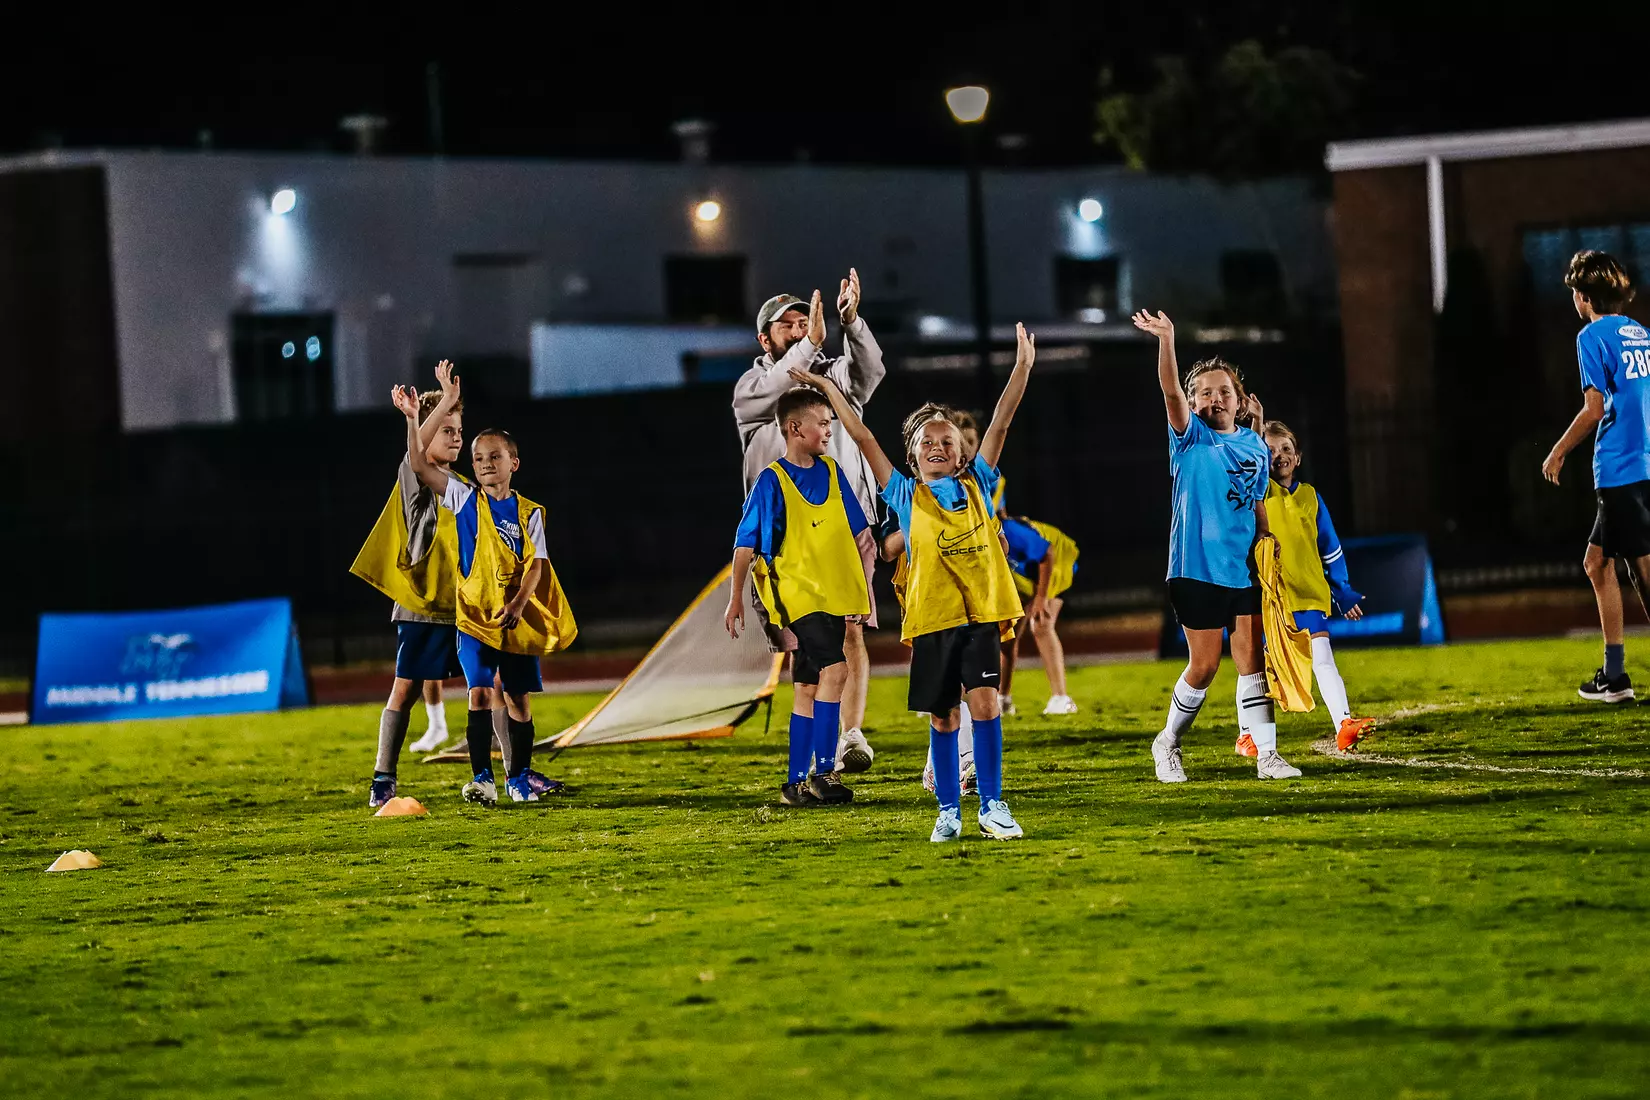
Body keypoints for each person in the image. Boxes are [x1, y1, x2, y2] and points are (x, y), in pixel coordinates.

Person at [796, 323, 1038, 842]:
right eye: (927, 440)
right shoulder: (904, 494)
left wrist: (1021, 367)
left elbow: (1000, 422)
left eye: (947, 440)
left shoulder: (978, 483)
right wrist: (828, 390)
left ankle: (993, 805)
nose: (937, 445)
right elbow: (860, 436)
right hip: (932, 619)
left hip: (980, 617)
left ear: (960, 452)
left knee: (986, 705)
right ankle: (948, 811)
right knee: (945, 716)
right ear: (912, 455)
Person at [1133, 308, 1302, 783]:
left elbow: (1255, 499)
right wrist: (1167, 338)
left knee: (1252, 662)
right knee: (1205, 666)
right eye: (1203, 392)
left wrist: (1268, 540)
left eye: (1223, 390)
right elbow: (1168, 389)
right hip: (1194, 568)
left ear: (1239, 399)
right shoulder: (1189, 438)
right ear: (1192, 401)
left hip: (1242, 568)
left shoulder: (1253, 445)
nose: (1213, 398)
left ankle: (1267, 755)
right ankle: (1167, 742)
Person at [399, 377, 578, 807]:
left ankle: (518, 778)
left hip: (514, 619)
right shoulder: (462, 498)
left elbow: (538, 565)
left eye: (493, 456)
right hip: (475, 619)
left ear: (513, 463)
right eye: (477, 458)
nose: (482, 464)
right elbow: (419, 463)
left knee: (517, 699)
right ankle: (483, 779)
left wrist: (519, 604)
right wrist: (419, 415)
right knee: (479, 692)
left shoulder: (530, 513)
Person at [733, 272, 885, 772]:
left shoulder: (833, 376)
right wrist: (813, 344)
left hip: (843, 530)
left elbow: (870, 373)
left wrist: (851, 323)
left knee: (850, 631)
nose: (799, 332)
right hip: (786, 545)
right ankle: (808, 761)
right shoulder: (753, 387)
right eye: (787, 327)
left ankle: (849, 736)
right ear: (765, 339)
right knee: (801, 649)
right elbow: (783, 385)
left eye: (804, 322)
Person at [350, 362, 511, 808]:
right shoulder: (416, 476)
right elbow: (417, 452)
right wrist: (425, 412)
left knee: (492, 685)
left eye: (460, 430)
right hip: (423, 608)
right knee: (404, 688)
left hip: (463, 609)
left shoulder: (463, 483)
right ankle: (384, 777)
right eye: (448, 430)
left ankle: (513, 775)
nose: (457, 437)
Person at [724, 387, 871, 806]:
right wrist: (736, 598)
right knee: (836, 671)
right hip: (798, 595)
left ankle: (794, 784)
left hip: (831, 595)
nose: (829, 429)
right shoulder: (772, 479)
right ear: (794, 428)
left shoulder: (832, 470)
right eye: (822, 422)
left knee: (807, 685)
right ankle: (824, 773)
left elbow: (854, 533)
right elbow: (745, 543)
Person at [1542, 250, 1648, 704]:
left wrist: (1558, 451)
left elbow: (1595, 407)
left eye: (1574, 293)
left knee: (1642, 571)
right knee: (1597, 562)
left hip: (1621, 469)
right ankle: (1615, 675)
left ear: (1584, 297)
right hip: (1644, 463)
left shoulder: (1591, 337)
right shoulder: (1640, 333)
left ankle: (1617, 675)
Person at [1262, 421, 1375, 752]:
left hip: (1310, 594)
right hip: (1272, 596)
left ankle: (1344, 724)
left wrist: (1341, 590)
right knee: (1263, 669)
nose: (1278, 455)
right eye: (1269, 450)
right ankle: (1249, 734)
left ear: (1298, 457)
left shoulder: (1311, 496)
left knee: (1323, 659)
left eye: (1285, 449)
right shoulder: (1259, 493)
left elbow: (1330, 547)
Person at [998, 515, 1080, 716]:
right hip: (1026, 575)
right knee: (1006, 634)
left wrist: (1041, 598)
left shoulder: (1008, 529)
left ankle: (1061, 698)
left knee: (1041, 624)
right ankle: (1003, 700)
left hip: (1058, 563)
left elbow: (1046, 553)